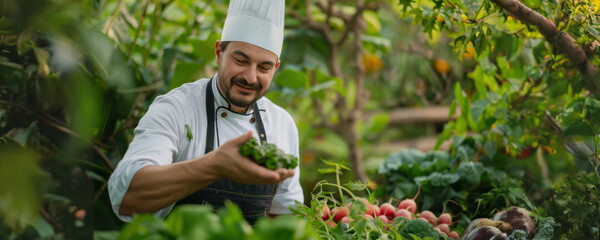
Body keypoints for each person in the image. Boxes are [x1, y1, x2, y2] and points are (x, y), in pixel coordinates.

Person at [108, 0, 303, 225]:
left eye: (264, 68)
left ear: (275, 68)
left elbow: (282, 215)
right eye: (241, 61)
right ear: (219, 53)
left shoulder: (281, 123)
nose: (250, 77)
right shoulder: (177, 108)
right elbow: (126, 198)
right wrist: (214, 165)